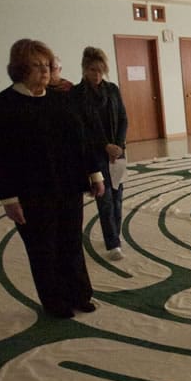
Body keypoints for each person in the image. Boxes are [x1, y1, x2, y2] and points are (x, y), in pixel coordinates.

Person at [0, 39, 105, 319]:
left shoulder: (61, 100)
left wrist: (94, 174)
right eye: (37, 66)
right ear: (20, 69)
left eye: (47, 66)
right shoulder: (2, 106)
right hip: (31, 193)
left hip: (68, 188)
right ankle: (55, 301)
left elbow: (80, 141)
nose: (45, 71)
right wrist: (8, 199)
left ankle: (80, 294)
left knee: (71, 242)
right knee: (43, 248)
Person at [71, 46, 129, 260]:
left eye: (100, 70)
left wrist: (119, 145)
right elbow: (82, 128)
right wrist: (105, 146)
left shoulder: (112, 89)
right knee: (104, 198)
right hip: (95, 155)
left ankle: (116, 232)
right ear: (84, 69)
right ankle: (112, 242)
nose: (96, 75)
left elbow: (123, 117)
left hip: (117, 153)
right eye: (92, 70)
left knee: (118, 196)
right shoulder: (77, 95)